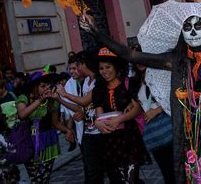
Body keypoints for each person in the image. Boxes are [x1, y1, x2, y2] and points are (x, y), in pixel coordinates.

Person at [81, 0, 201, 183]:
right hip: (197, 142)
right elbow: (131, 54)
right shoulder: (175, 62)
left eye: (198, 25)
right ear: (182, 33)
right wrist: (97, 33)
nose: (193, 32)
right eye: (187, 27)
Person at [92, 47, 147, 183]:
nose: (105, 72)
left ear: (116, 67)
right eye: (101, 68)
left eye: (108, 67)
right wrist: (98, 122)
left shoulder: (129, 84)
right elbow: (99, 114)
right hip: (110, 142)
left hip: (129, 138)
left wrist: (120, 119)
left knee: (131, 179)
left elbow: (137, 108)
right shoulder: (98, 90)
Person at [17, 73, 75, 183]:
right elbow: (22, 114)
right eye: (43, 86)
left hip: (48, 141)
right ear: (35, 87)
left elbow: (55, 123)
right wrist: (39, 100)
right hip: (29, 143)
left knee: (45, 177)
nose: (46, 89)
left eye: (48, 86)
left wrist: (68, 131)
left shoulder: (52, 101)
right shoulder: (24, 98)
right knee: (35, 178)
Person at [57, 50, 103, 184]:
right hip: (88, 131)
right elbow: (82, 107)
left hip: (99, 130)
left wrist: (64, 94)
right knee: (91, 167)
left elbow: (84, 101)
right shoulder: (87, 81)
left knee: (101, 166)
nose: (76, 69)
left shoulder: (97, 81)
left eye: (78, 65)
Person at [133, 45, 175, 184]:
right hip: (155, 135)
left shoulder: (160, 75)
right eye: (136, 59)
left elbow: (175, 95)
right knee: (165, 171)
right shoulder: (138, 81)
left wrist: (157, 110)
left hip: (169, 128)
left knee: (176, 169)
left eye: (141, 58)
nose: (139, 62)